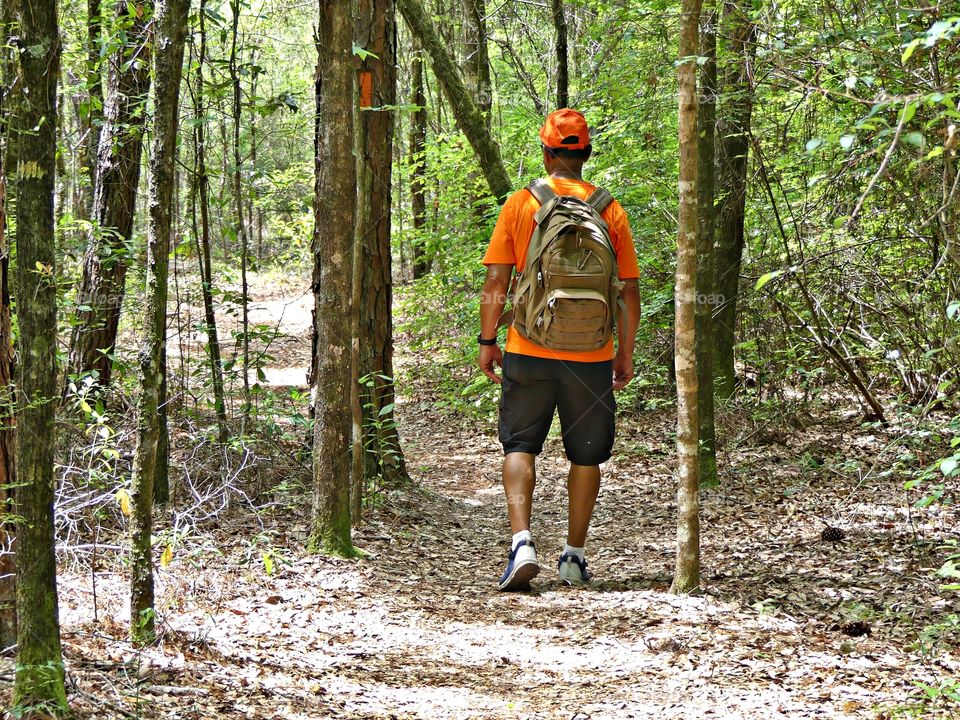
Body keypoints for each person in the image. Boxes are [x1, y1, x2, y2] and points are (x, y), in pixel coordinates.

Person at [478, 108, 641, 591]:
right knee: (586, 455)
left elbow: (495, 281)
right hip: (590, 354)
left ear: (547, 152)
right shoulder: (609, 209)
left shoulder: (521, 204)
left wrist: (489, 340)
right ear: (586, 154)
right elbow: (628, 288)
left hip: (527, 347)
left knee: (520, 444)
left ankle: (522, 543)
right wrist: (624, 351)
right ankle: (573, 556)